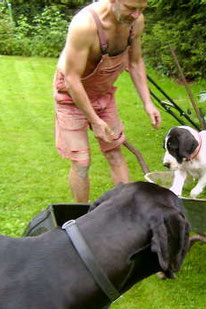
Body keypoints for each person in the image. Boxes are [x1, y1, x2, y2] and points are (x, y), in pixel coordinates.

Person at [53, 0, 161, 202]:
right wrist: (94, 120)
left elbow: (136, 62)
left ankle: (124, 212)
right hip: (70, 95)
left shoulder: (135, 22)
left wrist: (148, 103)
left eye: (141, 10)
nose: (136, 15)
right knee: (81, 161)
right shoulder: (85, 25)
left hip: (103, 93)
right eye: (130, 8)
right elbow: (71, 79)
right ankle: (81, 218)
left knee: (114, 152)